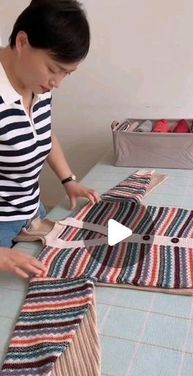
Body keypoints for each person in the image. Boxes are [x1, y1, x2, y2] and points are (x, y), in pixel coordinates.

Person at [0, 0, 100, 279]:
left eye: (67, 73)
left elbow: (43, 133)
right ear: (22, 42)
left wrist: (68, 180)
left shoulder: (38, 85)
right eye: (53, 68)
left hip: (31, 215)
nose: (58, 83)